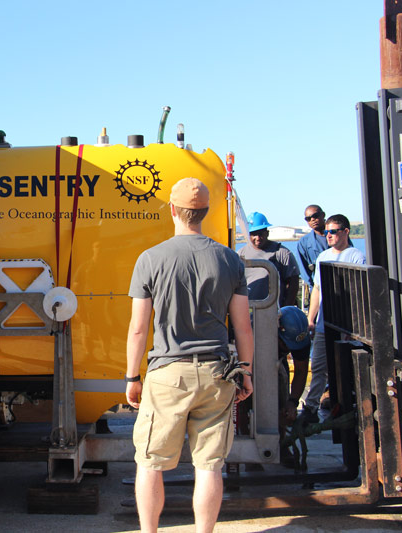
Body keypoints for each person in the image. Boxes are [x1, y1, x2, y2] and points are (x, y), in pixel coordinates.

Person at [125, 177, 254, 533]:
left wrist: (132, 377)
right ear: (205, 213)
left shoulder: (150, 259)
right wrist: (246, 371)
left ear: (172, 210)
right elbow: (243, 327)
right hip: (217, 373)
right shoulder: (229, 259)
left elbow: (138, 328)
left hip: (167, 373)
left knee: (150, 462)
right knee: (209, 466)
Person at [303, 214, 365, 422]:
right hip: (324, 324)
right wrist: (311, 319)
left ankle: (349, 406)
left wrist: (353, 326)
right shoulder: (323, 257)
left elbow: (359, 293)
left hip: (346, 324)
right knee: (319, 365)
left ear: (345, 232)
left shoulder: (356, 257)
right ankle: (310, 408)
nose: (328, 235)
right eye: (327, 231)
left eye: (333, 231)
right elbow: (317, 290)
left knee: (345, 368)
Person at [238, 211, 300, 308]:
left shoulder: (282, 253)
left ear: (267, 233)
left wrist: (286, 309)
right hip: (248, 310)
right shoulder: (240, 254)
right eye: (254, 234)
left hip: (273, 311)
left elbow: (293, 283)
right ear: (249, 234)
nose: (258, 238)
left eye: (260, 233)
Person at [277, 306, 311, 467]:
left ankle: (281, 445)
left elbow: (301, 370)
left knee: (281, 382)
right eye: (286, 345)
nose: (290, 350)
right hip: (252, 357)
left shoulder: (300, 338)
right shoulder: (257, 331)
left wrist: (292, 402)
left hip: (277, 362)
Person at [296, 205, 329, 291]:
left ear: (323, 215)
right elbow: (304, 272)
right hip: (319, 290)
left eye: (315, 216)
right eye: (308, 218)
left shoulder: (337, 235)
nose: (312, 220)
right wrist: (314, 289)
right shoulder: (304, 243)